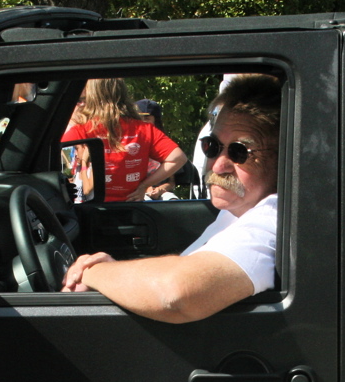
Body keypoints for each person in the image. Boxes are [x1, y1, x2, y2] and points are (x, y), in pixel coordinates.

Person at [62, 74, 281, 323]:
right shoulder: (237, 208)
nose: (218, 166)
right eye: (212, 146)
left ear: (283, 158)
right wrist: (114, 269)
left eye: (240, 152)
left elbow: (177, 295)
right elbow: (193, 267)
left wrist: (91, 272)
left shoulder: (271, 220)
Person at [61, 79, 186, 202]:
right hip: (131, 207)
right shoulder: (144, 129)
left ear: (93, 95)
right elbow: (178, 158)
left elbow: (52, 149)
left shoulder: (82, 129)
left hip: (94, 211)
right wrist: (144, 186)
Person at [135, 99, 177, 200]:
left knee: (173, 201)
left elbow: (172, 182)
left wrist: (161, 189)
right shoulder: (130, 146)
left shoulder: (165, 146)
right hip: (138, 193)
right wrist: (146, 188)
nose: (143, 122)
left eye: (147, 118)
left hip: (163, 192)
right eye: (140, 118)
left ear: (156, 120)